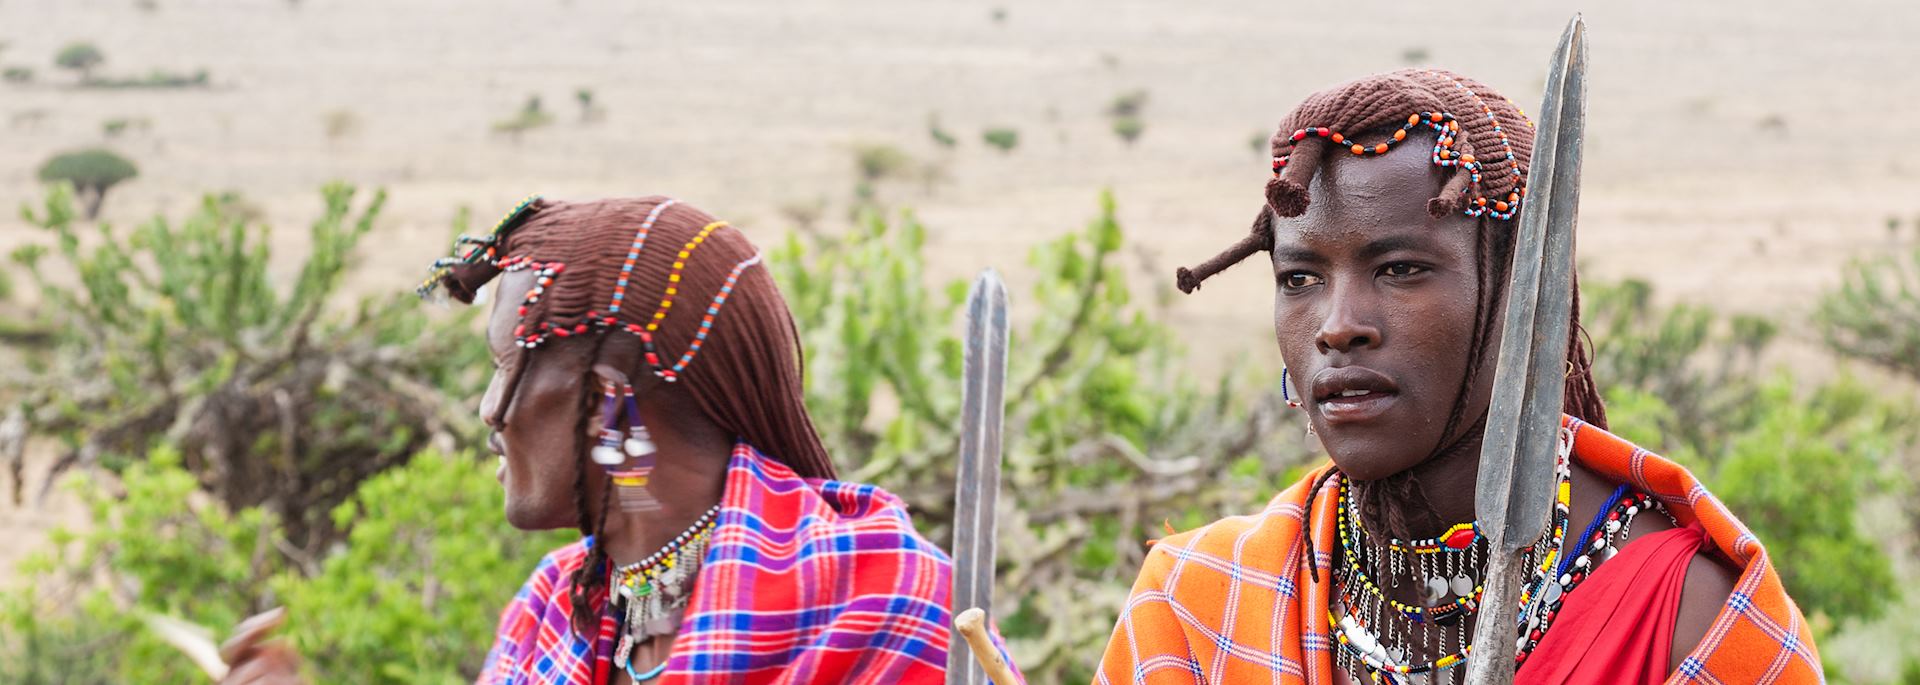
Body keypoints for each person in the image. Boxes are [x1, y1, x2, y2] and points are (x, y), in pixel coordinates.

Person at [1094, 69, 1820, 684]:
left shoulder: (1689, 614)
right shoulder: (1200, 604)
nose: (1337, 323)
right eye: (1300, 276)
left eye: (1401, 268)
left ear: (1522, 293)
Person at [221, 196, 1023, 685]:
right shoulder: (552, 614)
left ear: (608, 401)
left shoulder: (889, 601)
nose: (488, 410)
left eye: (509, 369)